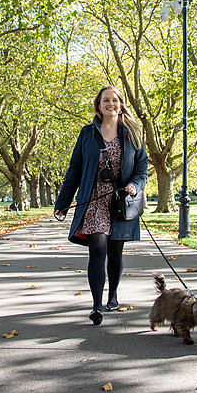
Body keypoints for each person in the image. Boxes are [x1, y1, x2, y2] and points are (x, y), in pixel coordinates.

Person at [54, 86, 148, 325]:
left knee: (115, 251)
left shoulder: (132, 132)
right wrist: (63, 203)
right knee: (97, 246)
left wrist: (135, 185)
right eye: (106, 100)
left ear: (120, 104)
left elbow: (142, 168)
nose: (110, 104)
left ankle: (112, 296)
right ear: (98, 105)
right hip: (94, 199)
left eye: (115, 100)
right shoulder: (87, 133)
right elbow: (74, 169)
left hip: (121, 200)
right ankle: (96, 305)